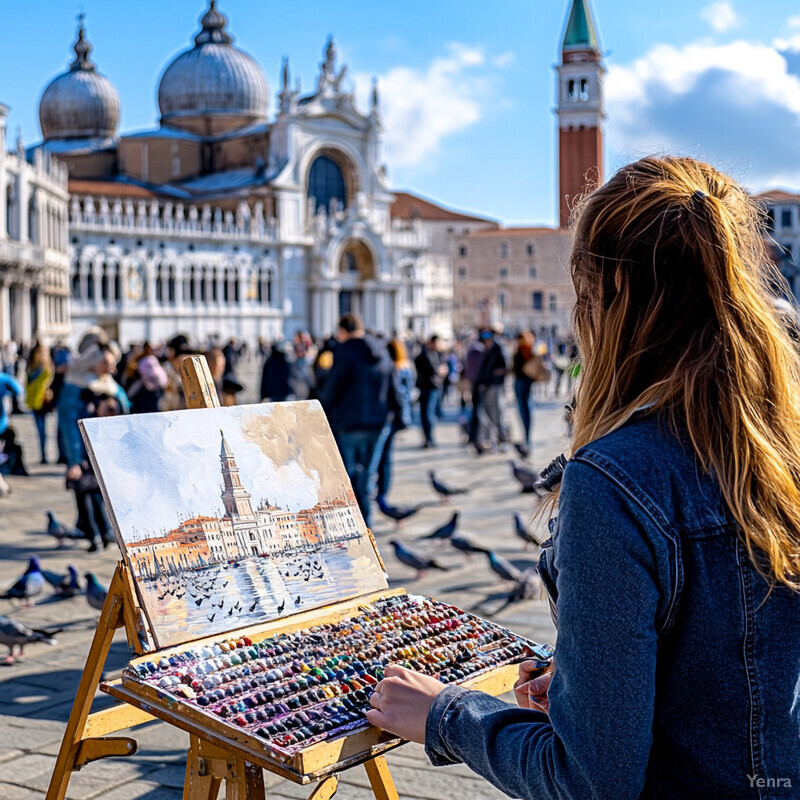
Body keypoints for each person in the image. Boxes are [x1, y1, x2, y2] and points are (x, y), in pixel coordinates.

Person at [364, 156, 800, 798]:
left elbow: (589, 783)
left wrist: (445, 716)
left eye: (582, 294)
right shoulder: (782, 441)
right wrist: (584, 682)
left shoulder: (616, 479)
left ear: (612, 298)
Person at [320, 314, 398, 529]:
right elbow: (393, 382)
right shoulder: (382, 349)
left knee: (349, 473)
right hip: (378, 423)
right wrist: (398, 415)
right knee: (368, 473)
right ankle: (367, 520)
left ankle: (356, 521)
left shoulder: (345, 352)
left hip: (350, 423)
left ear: (343, 331)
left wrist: (320, 413)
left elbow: (332, 388)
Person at [374, 338, 414, 504]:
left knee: (383, 456)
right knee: (386, 455)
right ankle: (383, 490)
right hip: (398, 416)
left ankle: (381, 490)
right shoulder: (406, 367)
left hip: (389, 415)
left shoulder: (393, 369)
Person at [473, 325, 509, 451]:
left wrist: (494, 373)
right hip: (488, 384)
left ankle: (501, 438)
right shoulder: (489, 348)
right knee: (490, 411)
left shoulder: (498, 347)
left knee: (496, 412)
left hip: (495, 384)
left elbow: (504, 366)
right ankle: (496, 438)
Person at [414, 335, 446, 448]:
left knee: (430, 414)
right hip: (427, 387)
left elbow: (442, 368)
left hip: (433, 387)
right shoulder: (424, 354)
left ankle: (430, 438)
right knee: (427, 414)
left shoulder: (435, 353)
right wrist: (439, 370)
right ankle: (429, 438)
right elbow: (434, 369)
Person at [25, 344, 54, 463]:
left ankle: (43, 454)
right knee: (41, 429)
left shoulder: (43, 368)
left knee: (41, 429)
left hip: (40, 401)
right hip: (36, 401)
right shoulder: (39, 367)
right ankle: (43, 454)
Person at [512, 331, 537, 456]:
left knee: (524, 408)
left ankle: (526, 437)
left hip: (521, 382)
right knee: (526, 408)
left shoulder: (523, 350)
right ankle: (526, 437)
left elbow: (515, 368)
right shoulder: (531, 350)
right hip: (526, 382)